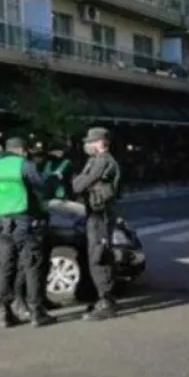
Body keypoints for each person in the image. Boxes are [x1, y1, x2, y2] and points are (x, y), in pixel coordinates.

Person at [0, 137, 56, 328]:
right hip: (24, 222)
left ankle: (5, 312)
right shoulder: (24, 165)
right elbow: (42, 190)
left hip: (0, 225)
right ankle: (37, 312)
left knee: (6, 267)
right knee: (32, 265)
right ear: (21, 150)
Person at [72, 127, 121, 321]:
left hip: (101, 215)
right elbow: (79, 183)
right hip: (95, 214)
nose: (87, 145)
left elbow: (79, 184)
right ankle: (103, 297)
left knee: (99, 256)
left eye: (90, 142)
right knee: (98, 255)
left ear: (100, 142)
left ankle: (106, 301)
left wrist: (82, 181)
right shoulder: (95, 161)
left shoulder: (104, 162)